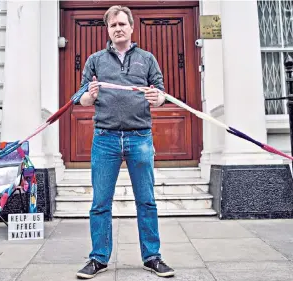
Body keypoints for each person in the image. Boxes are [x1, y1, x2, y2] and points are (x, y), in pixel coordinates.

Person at [76, 5, 175, 279]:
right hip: (105, 139)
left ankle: (152, 257)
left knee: (146, 201)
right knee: (100, 202)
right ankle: (98, 258)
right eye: (113, 25)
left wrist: (158, 98)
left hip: (140, 137)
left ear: (131, 27)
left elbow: (161, 92)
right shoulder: (95, 60)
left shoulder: (147, 59)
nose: (118, 28)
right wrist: (91, 95)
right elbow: (82, 98)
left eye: (122, 24)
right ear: (107, 30)